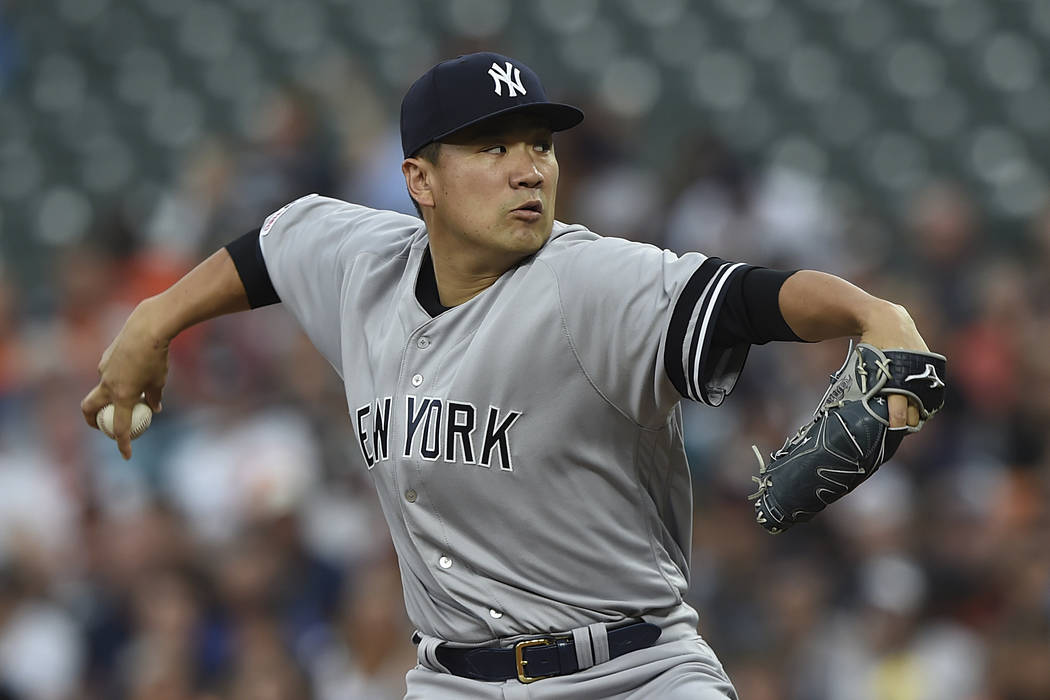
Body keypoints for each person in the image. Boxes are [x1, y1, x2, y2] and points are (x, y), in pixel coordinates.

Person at [82, 52, 933, 699]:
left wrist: (875, 316)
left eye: (539, 144)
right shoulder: (360, 264)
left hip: (632, 671)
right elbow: (272, 245)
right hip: (454, 680)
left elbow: (753, 298)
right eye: (492, 147)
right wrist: (153, 320)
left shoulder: (592, 283)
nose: (530, 168)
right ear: (420, 179)